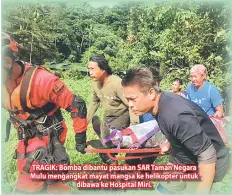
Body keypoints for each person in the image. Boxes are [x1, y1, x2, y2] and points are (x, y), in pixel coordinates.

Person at [2, 33, 87, 193]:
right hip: (25, 141)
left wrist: (80, 137)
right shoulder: (4, 85)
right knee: (53, 186)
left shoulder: (41, 80)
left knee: (27, 188)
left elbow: (77, 104)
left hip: (47, 141)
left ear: (7, 62)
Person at [121, 67, 229, 193]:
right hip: (181, 158)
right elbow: (176, 129)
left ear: (151, 93)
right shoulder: (160, 103)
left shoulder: (175, 114)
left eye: (133, 99)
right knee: (162, 191)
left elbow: (207, 154)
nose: (130, 104)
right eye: (127, 99)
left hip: (206, 166)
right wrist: (169, 142)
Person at [87, 54, 147, 165]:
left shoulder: (116, 83)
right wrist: (84, 122)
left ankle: (107, 136)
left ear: (103, 69)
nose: (90, 72)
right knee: (105, 151)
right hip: (108, 116)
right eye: (89, 69)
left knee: (109, 143)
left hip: (122, 115)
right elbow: (94, 102)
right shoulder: (95, 83)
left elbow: (130, 103)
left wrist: (134, 124)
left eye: (93, 69)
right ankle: (105, 136)